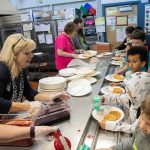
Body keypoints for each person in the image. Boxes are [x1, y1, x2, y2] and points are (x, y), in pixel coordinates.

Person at [0, 33, 70, 114]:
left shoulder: (19, 68)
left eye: (31, 52)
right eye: (26, 53)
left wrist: (50, 97)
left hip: (11, 117)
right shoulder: (2, 70)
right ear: (13, 54)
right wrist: (28, 106)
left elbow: (29, 93)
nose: (31, 55)